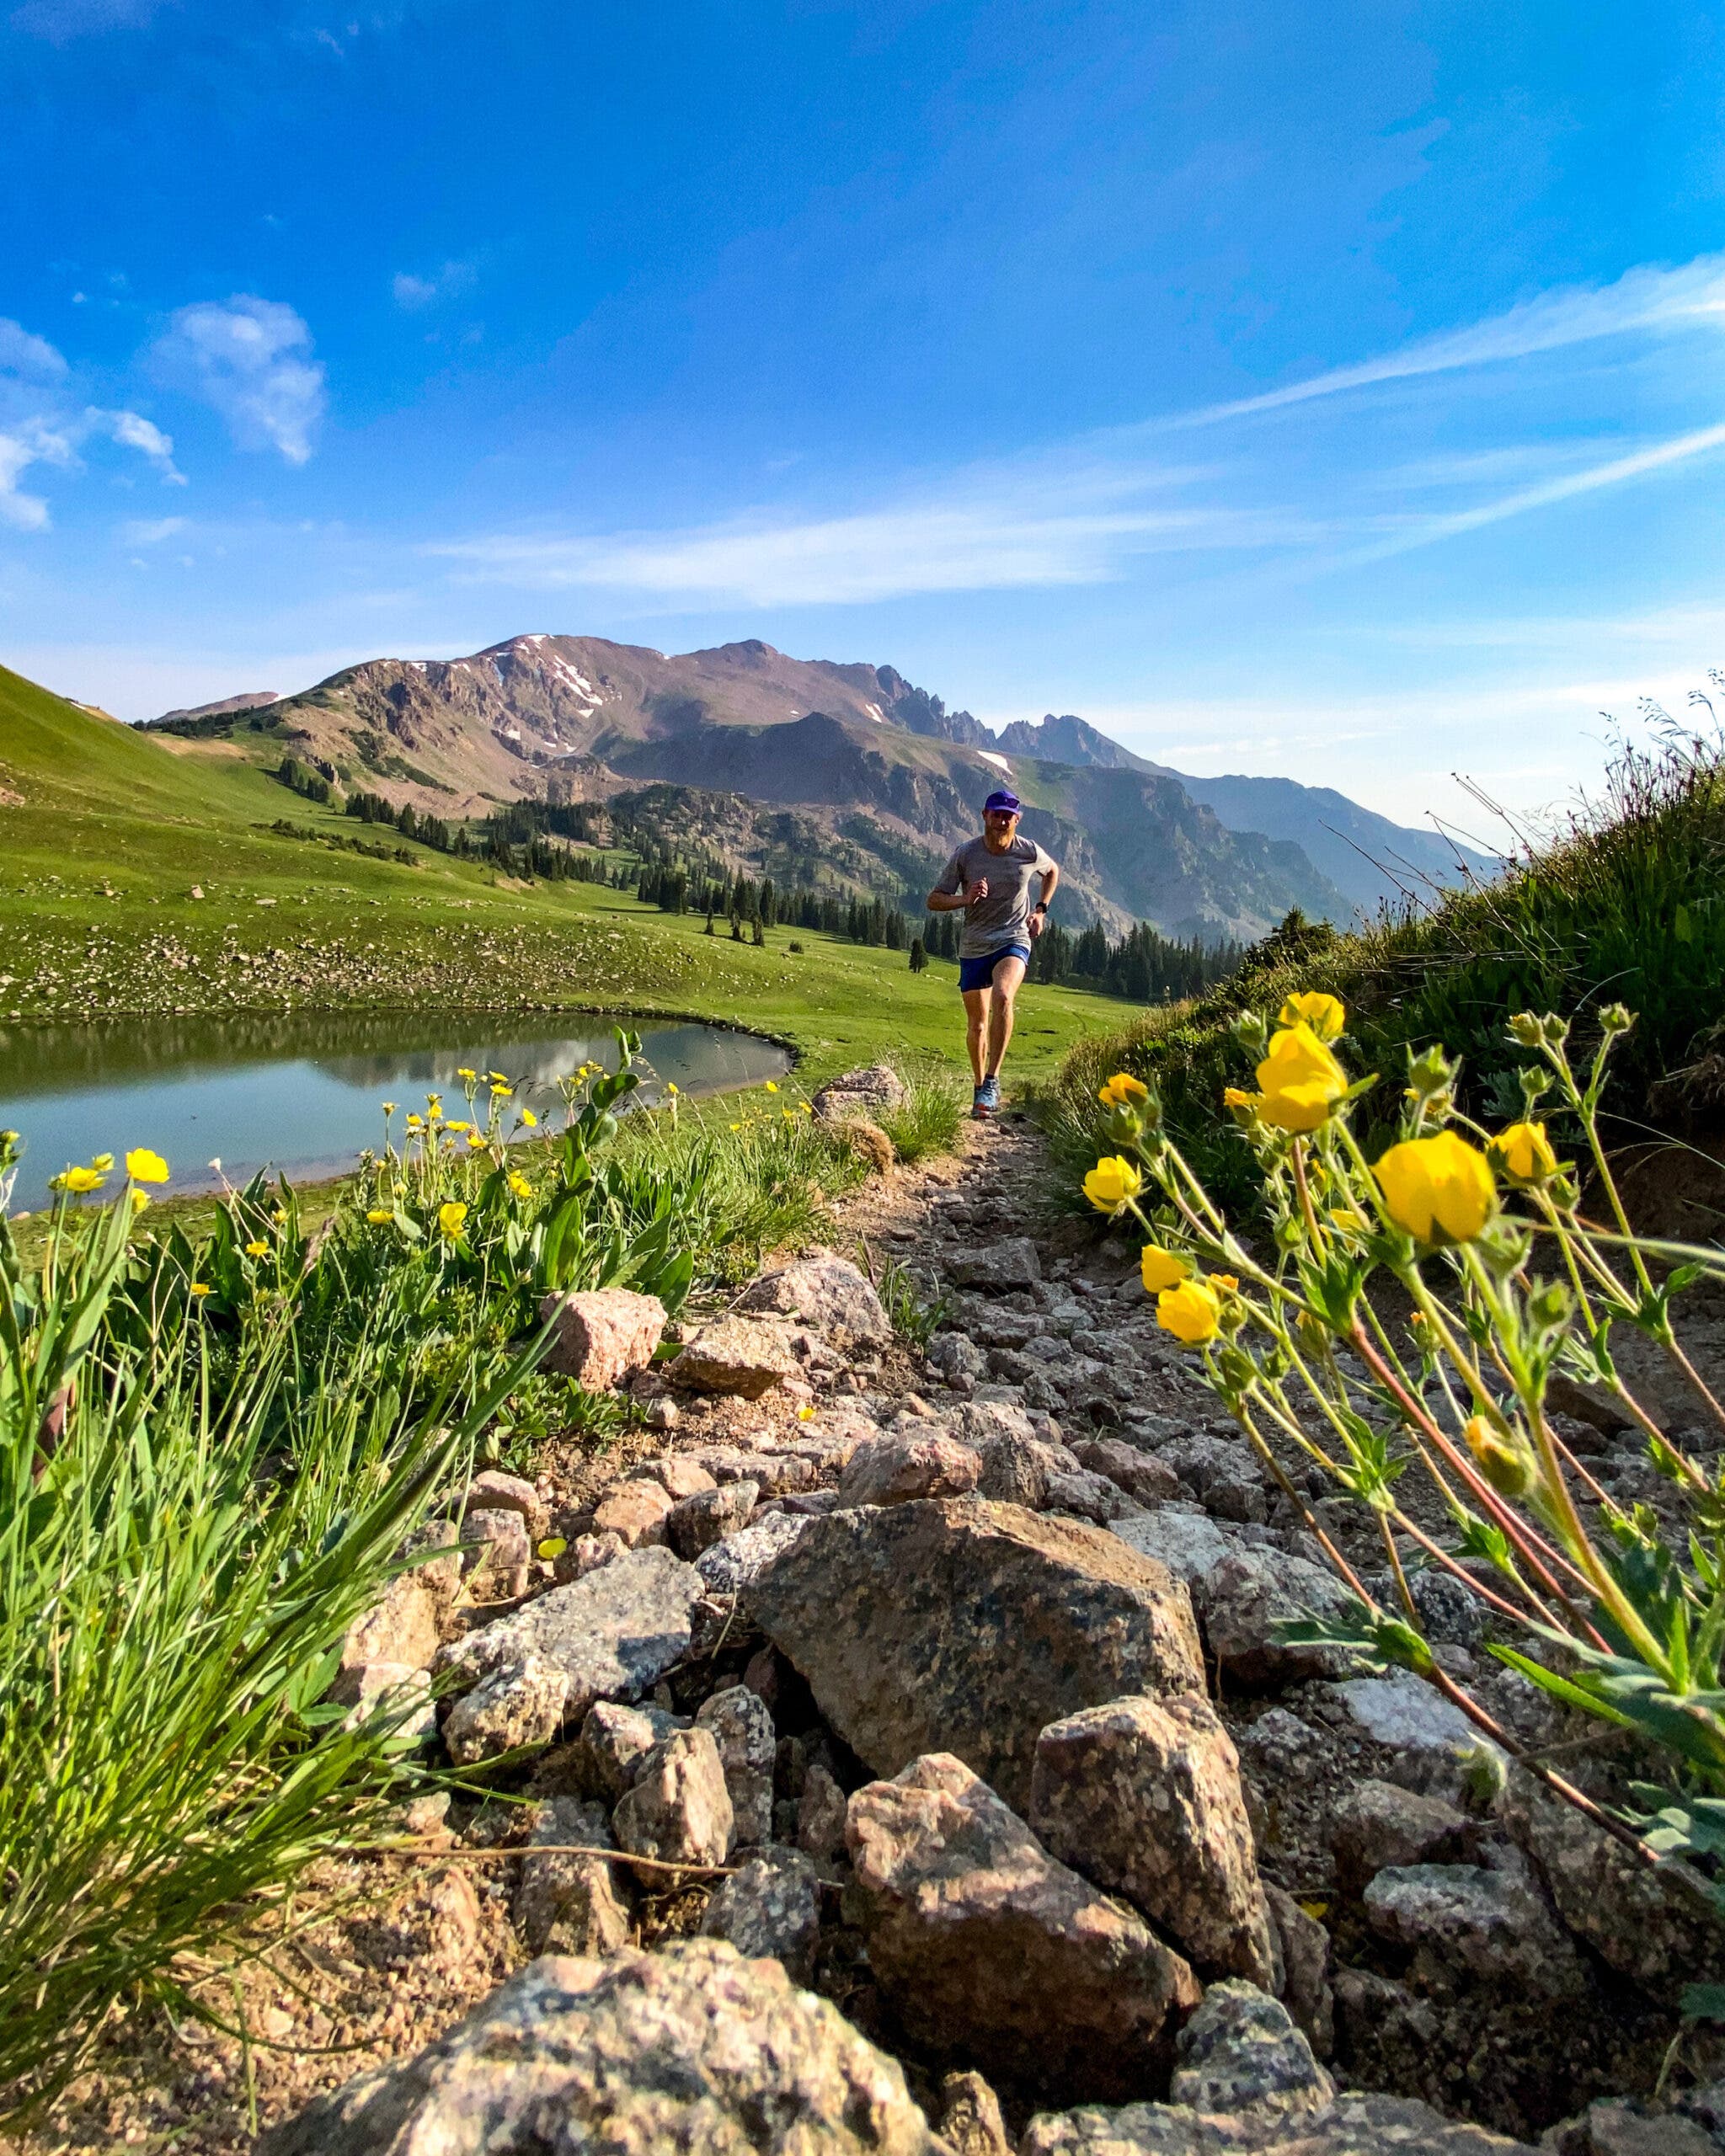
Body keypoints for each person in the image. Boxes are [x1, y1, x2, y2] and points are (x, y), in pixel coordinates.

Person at [927, 789, 1060, 1118]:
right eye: (996, 815)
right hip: (974, 944)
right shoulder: (966, 854)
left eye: (1008, 817)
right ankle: (979, 1087)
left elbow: (1052, 871)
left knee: (1002, 996)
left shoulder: (1028, 851)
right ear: (985, 815)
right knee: (977, 1025)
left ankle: (992, 1080)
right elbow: (934, 899)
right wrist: (965, 899)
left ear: (1017, 820)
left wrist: (1041, 910)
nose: (1001, 822)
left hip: (1013, 938)